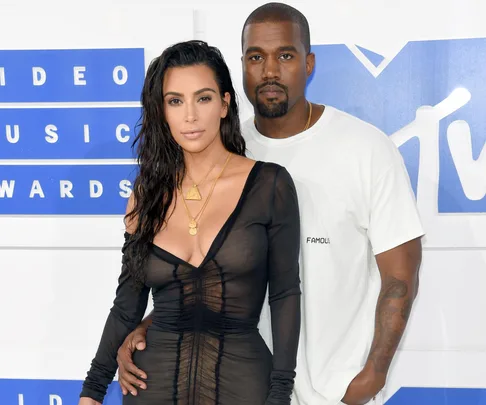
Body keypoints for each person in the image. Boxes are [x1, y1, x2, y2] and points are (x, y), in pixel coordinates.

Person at [115, 3, 424, 405]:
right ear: (241, 65)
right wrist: (149, 325)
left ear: (309, 63)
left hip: (336, 392)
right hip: (246, 388)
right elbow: (204, 267)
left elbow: (401, 277)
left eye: (286, 56)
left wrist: (372, 376)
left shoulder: (366, 149)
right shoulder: (223, 153)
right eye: (256, 57)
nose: (270, 71)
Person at [78, 39, 301, 405]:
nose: (190, 116)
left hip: (244, 385)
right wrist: (92, 391)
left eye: (203, 98)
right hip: (150, 386)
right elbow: (127, 306)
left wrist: (279, 395)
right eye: (175, 101)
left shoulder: (270, 185)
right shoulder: (146, 195)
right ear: (162, 111)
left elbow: (284, 294)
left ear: (225, 103)